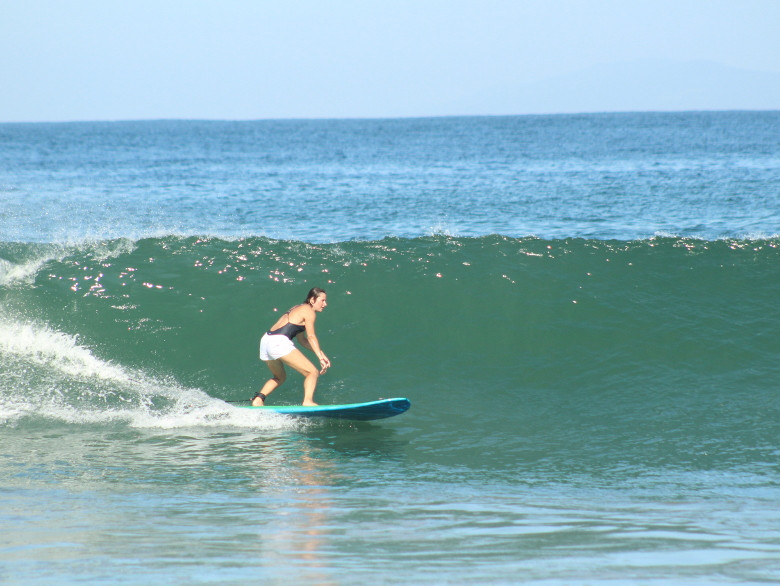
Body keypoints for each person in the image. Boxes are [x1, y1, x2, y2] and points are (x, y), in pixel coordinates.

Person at [252, 287, 331, 407]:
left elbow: (302, 340)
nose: (325, 304)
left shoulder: (298, 309)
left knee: (279, 377)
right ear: (312, 300)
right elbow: (311, 336)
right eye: (322, 300)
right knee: (312, 372)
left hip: (266, 341)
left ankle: (258, 399)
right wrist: (320, 358)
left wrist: (321, 353)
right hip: (278, 341)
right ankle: (308, 401)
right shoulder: (308, 311)